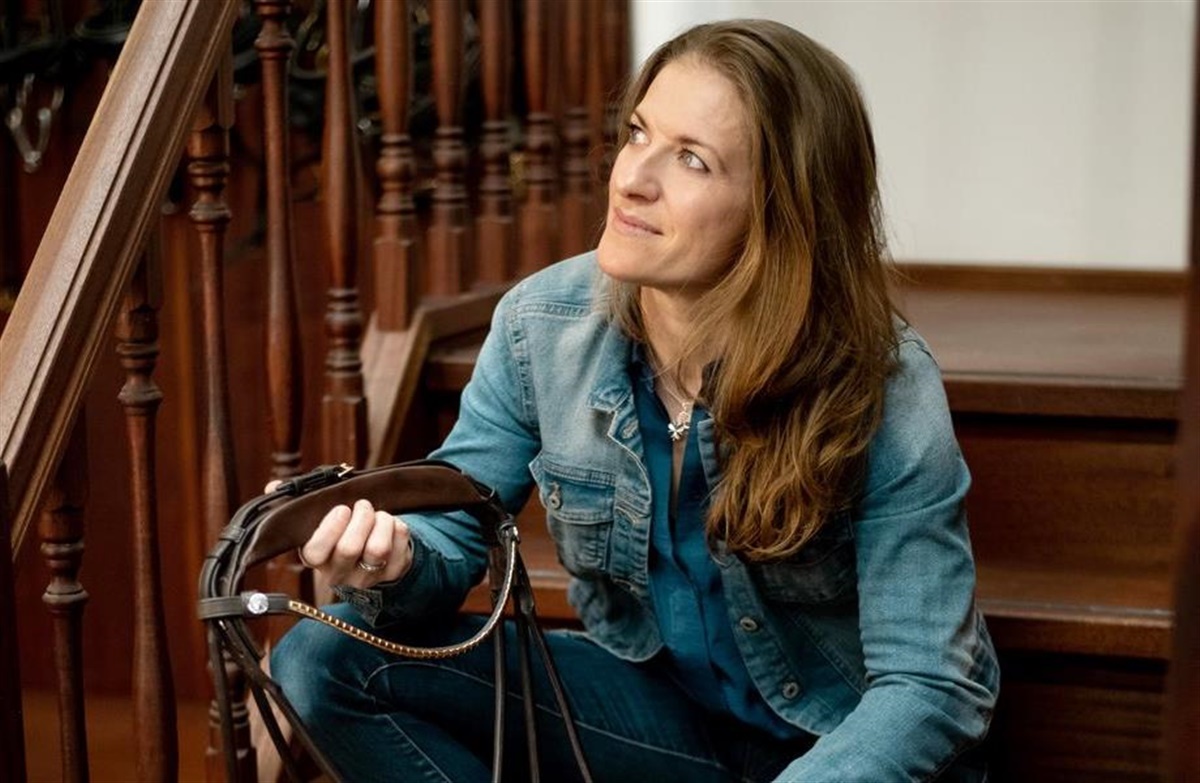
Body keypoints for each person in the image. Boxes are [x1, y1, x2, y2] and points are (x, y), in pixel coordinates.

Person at [271, 18, 999, 782]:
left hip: (843, 749)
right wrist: (394, 560)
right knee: (326, 658)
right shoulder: (540, 326)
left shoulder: (880, 379)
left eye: (692, 159)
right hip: (666, 721)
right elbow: (455, 523)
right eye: (638, 133)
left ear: (780, 207)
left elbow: (929, 687)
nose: (632, 179)